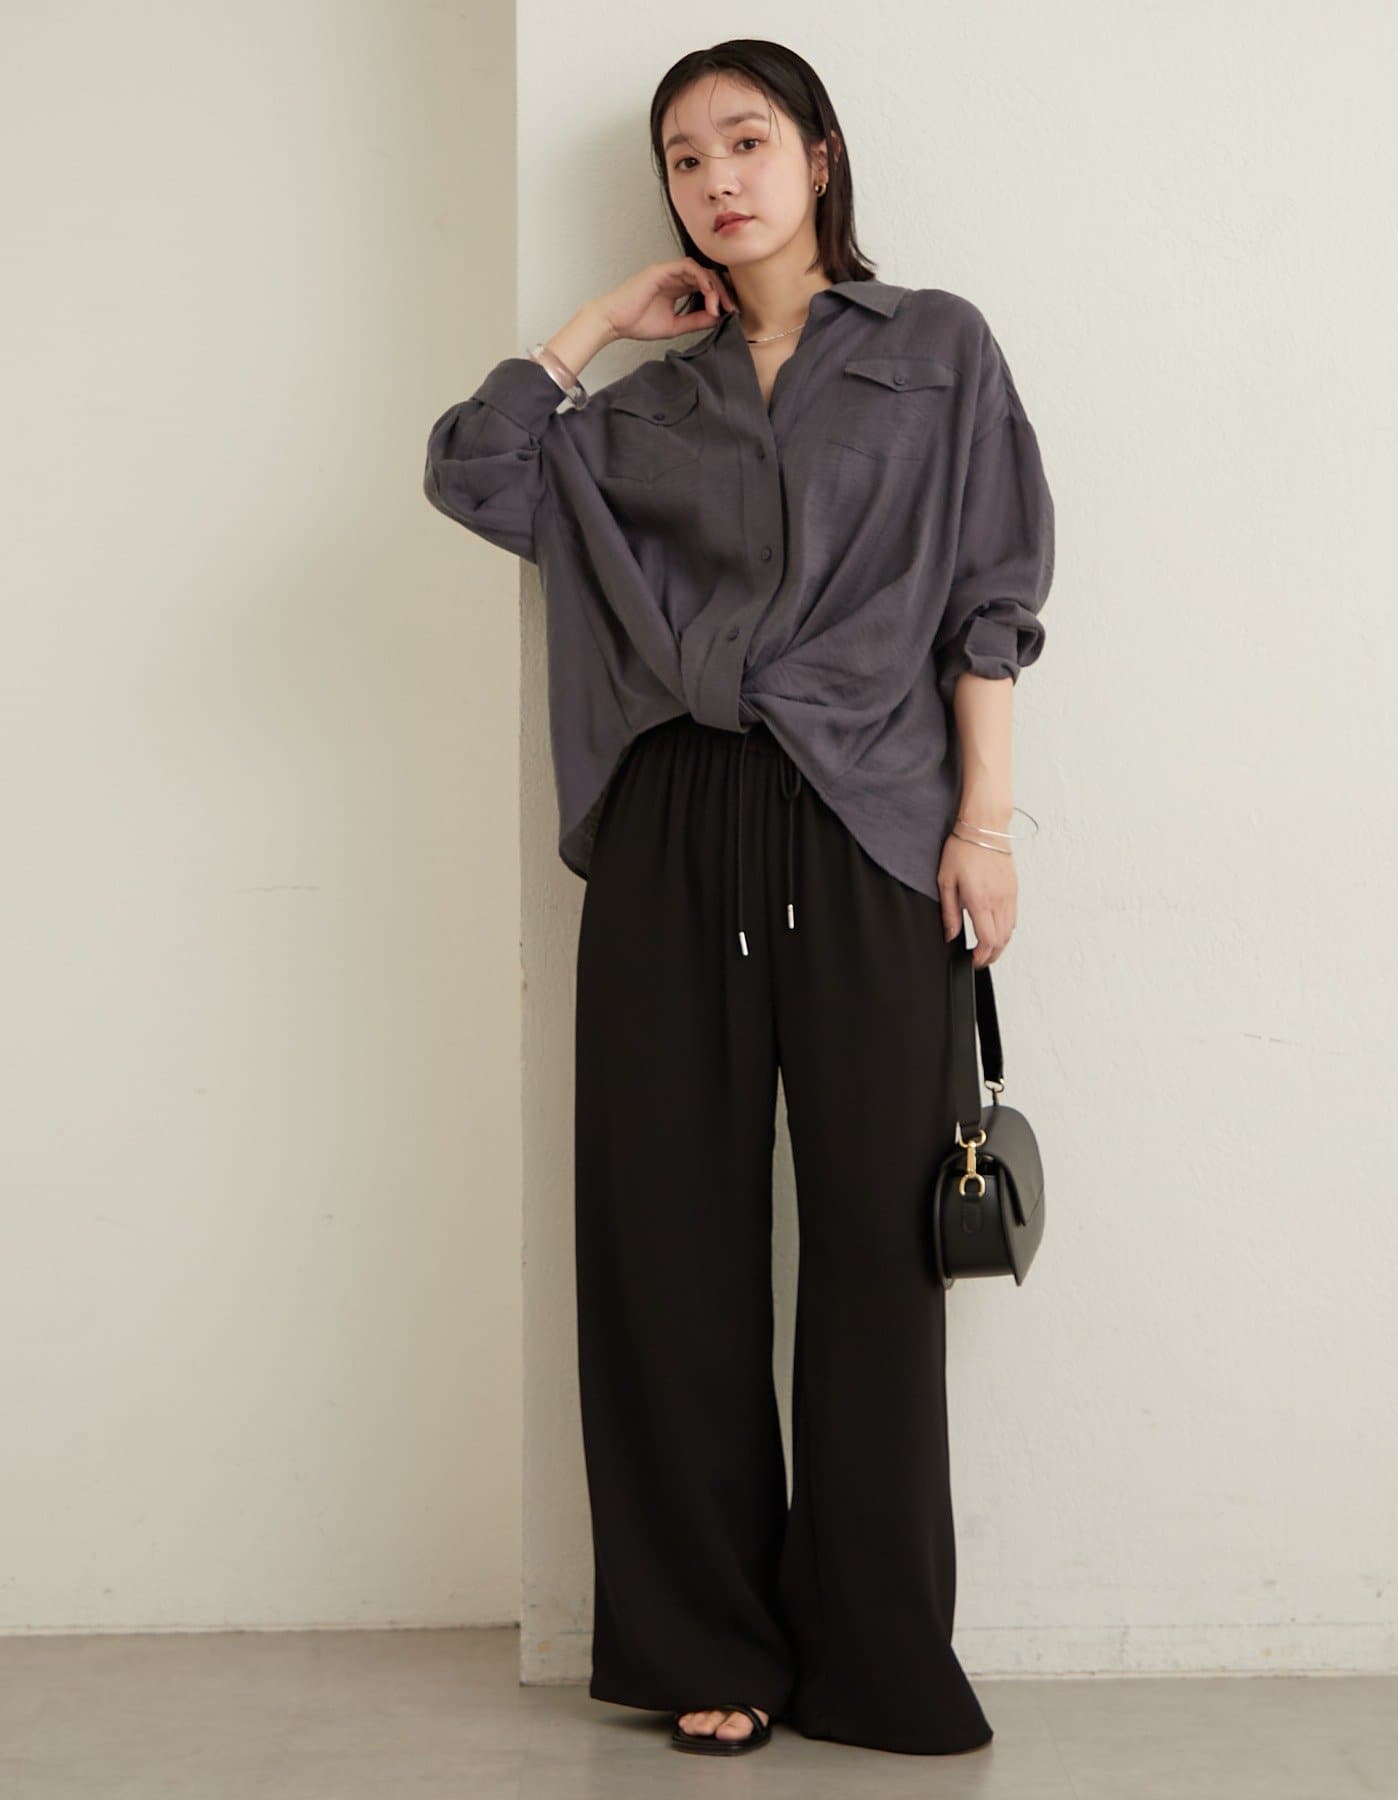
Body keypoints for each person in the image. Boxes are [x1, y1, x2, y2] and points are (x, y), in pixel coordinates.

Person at [423, 37, 1055, 1760]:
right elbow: (475, 471)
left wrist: (984, 826)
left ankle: (873, 1653)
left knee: (875, 1243)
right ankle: (708, 1638)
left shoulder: (935, 350)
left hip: (871, 824)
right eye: (686, 157)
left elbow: (990, 601)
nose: (718, 178)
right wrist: (591, 330)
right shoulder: (643, 412)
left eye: (749, 140)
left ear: (821, 156)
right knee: (668, 1234)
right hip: (676, 821)